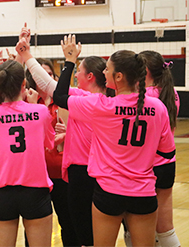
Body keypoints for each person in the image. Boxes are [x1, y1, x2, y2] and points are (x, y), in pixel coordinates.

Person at [48, 34, 176, 247]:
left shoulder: (101, 106)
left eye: (107, 69)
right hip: (143, 192)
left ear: (118, 77)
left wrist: (69, 61)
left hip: (108, 191)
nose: (103, 72)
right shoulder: (158, 108)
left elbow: (59, 95)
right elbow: (167, 154)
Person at [16, 24, 113, 246]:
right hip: (93, 173)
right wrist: (26, 55)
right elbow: (48, 84)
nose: (75, 75)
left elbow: (55, 90)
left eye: (79, 71)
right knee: (83, 231)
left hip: (84, 174)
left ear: (89, 75)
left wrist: (67, 60)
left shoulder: (88, 102)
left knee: (83, 232)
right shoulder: (98, 99)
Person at [0, 60, 55, 247]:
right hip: (35, 191)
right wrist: (31, 106)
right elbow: (49, 145)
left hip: (2, 191)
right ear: (23, 85)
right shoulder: (40, 111)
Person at [25, 58, 79, 247]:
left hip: (62, 173)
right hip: (37, 175)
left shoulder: (64, 101)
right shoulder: (27, 102)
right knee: (33, 226)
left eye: (48, 74)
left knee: (69, 224)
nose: (44, 78)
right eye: (41, 73)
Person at [141, 50, 180, 247]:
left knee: (137, 226)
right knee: (165, 228)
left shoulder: (145, 97)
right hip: (167, 163)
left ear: (145, 71)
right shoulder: (171, 92)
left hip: (146, 166)